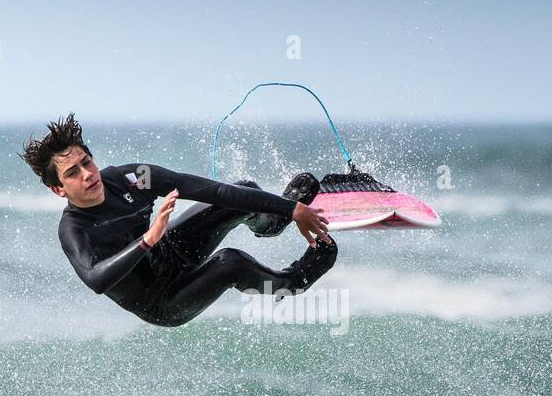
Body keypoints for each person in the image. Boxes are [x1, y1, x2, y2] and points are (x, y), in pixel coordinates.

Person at [21, 114, 337, 327]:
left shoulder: (131, 179)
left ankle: (271, 223)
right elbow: (96, 279)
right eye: (73, 173)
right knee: (230, 262)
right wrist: (148, 239)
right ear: (58, 189)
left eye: (86, 162)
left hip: (173, 253)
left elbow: (213, 191)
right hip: (163, 300)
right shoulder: (74, 230)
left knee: (241, 192)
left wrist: (288, 208)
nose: (88, 174)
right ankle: (292, 282)